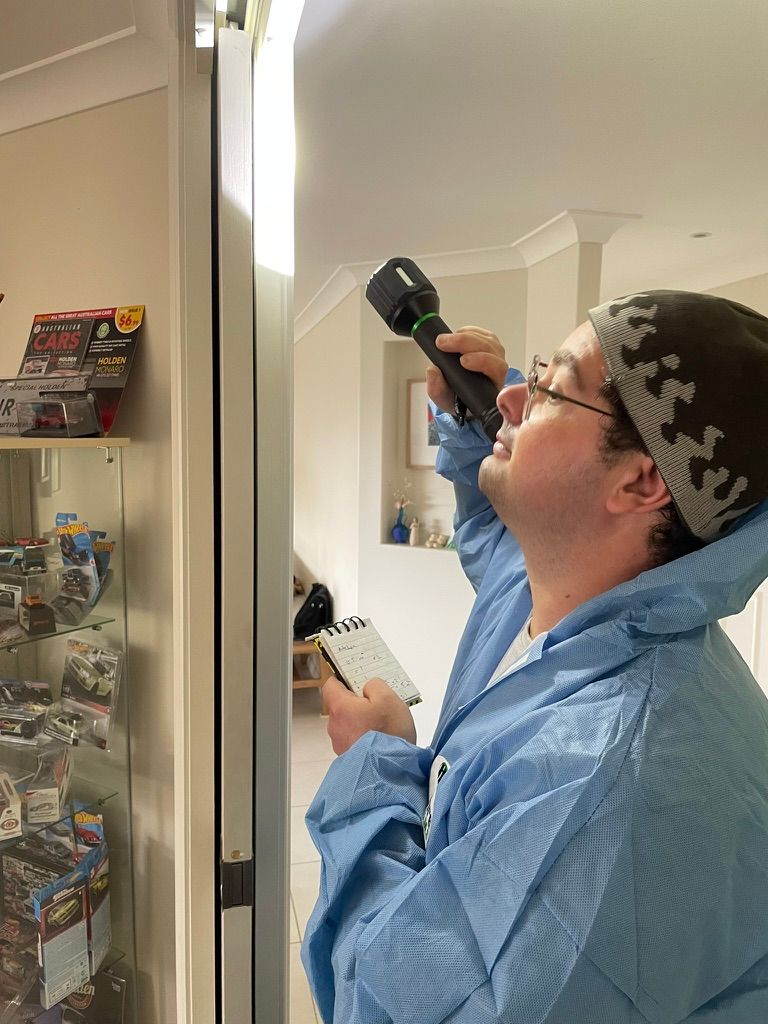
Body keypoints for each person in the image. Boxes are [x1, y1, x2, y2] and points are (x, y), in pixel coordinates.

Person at [301, 290, 768, 1023]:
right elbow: (495, 537)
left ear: (641, 481)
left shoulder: (605, 785)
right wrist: (471, 423)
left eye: (551, 387)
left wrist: (373, 767)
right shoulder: (562, 591)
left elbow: (395, 1004)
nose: (512, 393)